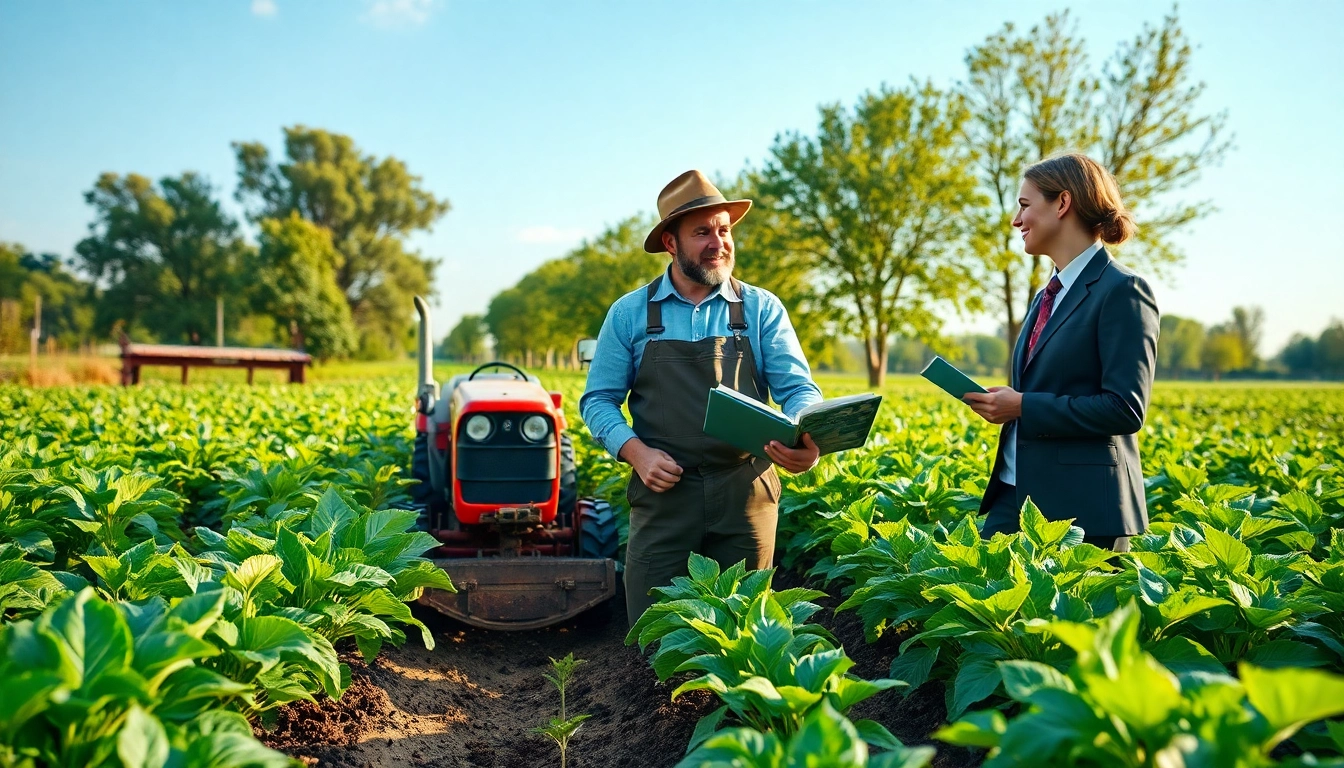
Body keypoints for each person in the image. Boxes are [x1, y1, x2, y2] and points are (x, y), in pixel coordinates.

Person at [580, 169, 824, 625]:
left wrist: (807, 433)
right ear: (671, 243)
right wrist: (637, 454)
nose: (719, 243)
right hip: (664, 493)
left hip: (746, 490)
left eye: (724, 230)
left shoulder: (760, 308)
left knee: (745, 631)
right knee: (653, 632)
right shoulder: (630, 313)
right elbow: (597, 401)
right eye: (702, 232)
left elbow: (796, 389)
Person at [962, 153, 1159, 551]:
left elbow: (1125, 408)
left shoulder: (1123, 290)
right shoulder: (1046, 295)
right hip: (1013, 494)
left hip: (1083, 512)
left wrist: (1022, 406)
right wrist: (1007, 403)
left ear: (1063, 204)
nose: (1016, 221)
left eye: (1024, 205)